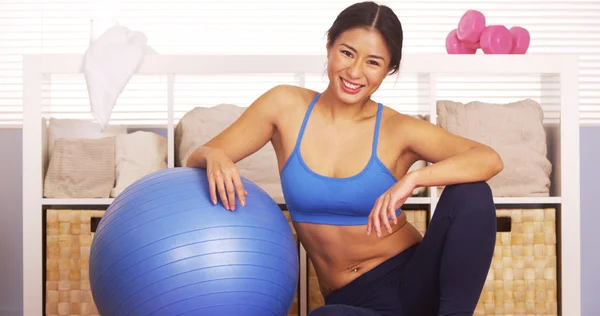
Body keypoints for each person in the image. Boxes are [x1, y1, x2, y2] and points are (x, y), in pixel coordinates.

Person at [186, 1, 504, 315]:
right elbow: (194, 159)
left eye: (373, 62)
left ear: (389, 69)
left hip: (417, 281)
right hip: (354, 301)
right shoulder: (284, 106)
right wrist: (214, 154)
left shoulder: (399, 129)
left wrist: (415, 178)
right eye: (347, 53)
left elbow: (488, 158)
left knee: (471, 192)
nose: (354, 72)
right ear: (329, 46)